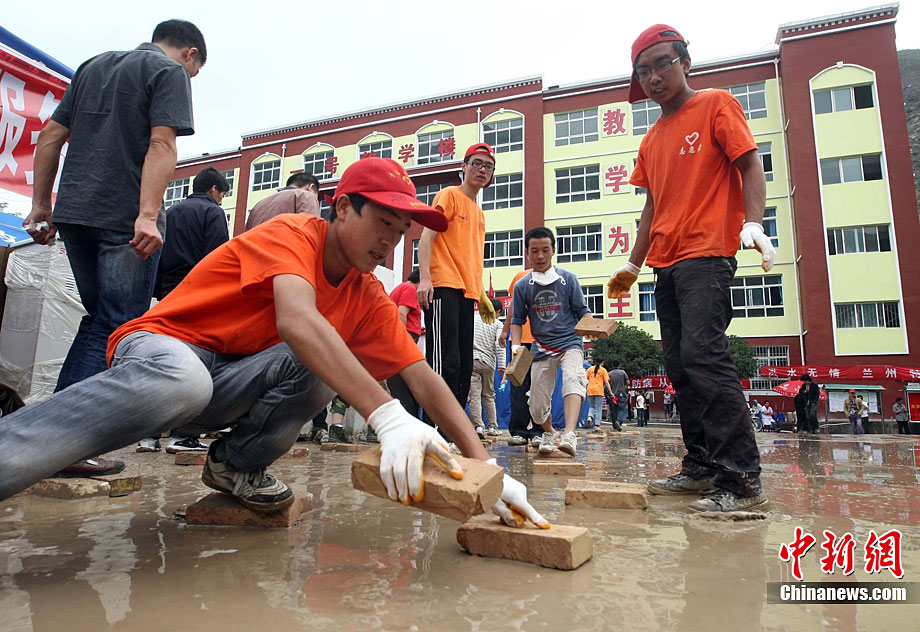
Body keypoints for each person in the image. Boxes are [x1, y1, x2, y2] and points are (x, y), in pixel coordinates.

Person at [0, 157, 547, 530]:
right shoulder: (293, 236)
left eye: (400, 228)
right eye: (381, 220)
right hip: (165, 350)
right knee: (199, 377)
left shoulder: (366, 293)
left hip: (221, 386)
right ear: (341, 207)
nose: (389, 239)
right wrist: (387, 415)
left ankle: (235, 465)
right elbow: (296, 321)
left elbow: (423, 378)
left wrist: (489, 474)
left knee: (317, 368)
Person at [24, 19, 206, 477]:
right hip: (123, 220)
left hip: (75, 214)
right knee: (115, 326)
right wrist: (147, 215)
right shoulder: (168, 74)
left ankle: (54, 438)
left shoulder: (93, 66)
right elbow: (162, 144)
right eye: (196, 71)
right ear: (189, 54)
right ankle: (61, 443)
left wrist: (41, 207)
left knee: (100, 322)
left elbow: (49, 138)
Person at [609, 25, 776, 512]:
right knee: (681, 366)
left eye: (663, 63)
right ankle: (702, 465)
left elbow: (750, 163)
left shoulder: (716, 104)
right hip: (666, 261)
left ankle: (741, 478)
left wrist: (755, 222)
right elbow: (651, 208)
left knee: (705, 355)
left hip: (708, 254)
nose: (655, 76)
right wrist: (632, 261)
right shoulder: (651, 140)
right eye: (644, 70)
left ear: (685, 61)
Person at [138, 166, 231, 453]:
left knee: (161, 360)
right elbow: (219, 257)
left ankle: (149, 436)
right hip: (197, 294)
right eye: (223, 195)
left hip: (167, 294)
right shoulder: (212, 213)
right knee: (193, 361)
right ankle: (182, 435)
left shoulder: (172, 212)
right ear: (214, 190)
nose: (222, 201)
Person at [416, 143, 497, 433]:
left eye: (487, 166)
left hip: (467, 294)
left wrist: (483, 295)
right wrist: (425, 279)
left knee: (464, 367)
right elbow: (427, 238)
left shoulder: (478, 212)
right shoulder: (449, 196)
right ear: (463, 167)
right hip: (443, 287)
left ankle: (452, 430)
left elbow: (471, 256)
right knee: (444, 361)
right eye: (476, 163)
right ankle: (434, 430)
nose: (482, 170)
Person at [508, 227, 590, 457]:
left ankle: (570, 434)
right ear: (527, 253)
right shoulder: (523, 286)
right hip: (541, 348)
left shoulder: (568, 279)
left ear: (553, 250)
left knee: (573, 379)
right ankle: (549, 431)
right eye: (535, 251)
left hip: (570, 342)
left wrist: (591, 326)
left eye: (545, 250)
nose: (540, 256)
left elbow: (583, 311)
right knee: (535, 404)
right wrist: (515, 346)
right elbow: (516, 320)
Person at [499, 269, 540, 446]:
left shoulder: (556, 278)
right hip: (520, 340)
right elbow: (513, 307)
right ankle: (519, 431)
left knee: (541, 385)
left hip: (543, 340)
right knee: (518, 385)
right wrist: (505, 329)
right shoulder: (520, 277)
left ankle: (539, 430)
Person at [386, 268, 423, 421]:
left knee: (399, 385)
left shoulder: (400, 288)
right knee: (405, 386)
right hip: (404, 339)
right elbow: (402, 314)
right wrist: (403, 341)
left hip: (398, 338)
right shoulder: (409, 289)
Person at [469, 299, 505, 438]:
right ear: (498, 312)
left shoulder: (473, 319)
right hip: (488, 363)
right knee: (489, 395)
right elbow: (499, 345)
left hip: (472, 360)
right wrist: (502, 366)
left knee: (474, 395)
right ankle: (492, 427)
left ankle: (478, 426)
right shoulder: (497, 324)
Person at [244, 172, 321, 230]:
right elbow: (310, 230)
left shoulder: (258, 205)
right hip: (287, 249)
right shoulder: (306, 195)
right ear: (311, 187)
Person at [585, 358, 610, 430]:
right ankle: (597, 425)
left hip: (590, 390)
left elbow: (585, 379)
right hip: (599, 390)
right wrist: (610, 392)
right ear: (602, 362)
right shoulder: (603, 370)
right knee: (598, 409)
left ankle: (590, 417)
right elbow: (606, 382)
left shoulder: (589, 369)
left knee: (592, 406)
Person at [607, 360, 629, 429]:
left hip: (612, 394)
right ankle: (619, 421)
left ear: (612, 365)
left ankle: (614, 424)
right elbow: (628, 382)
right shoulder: (623, 372)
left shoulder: (609, 374)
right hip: (621, 393)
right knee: (621, 409)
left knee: (613, 409)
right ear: (619, 365)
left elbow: (607, 383)